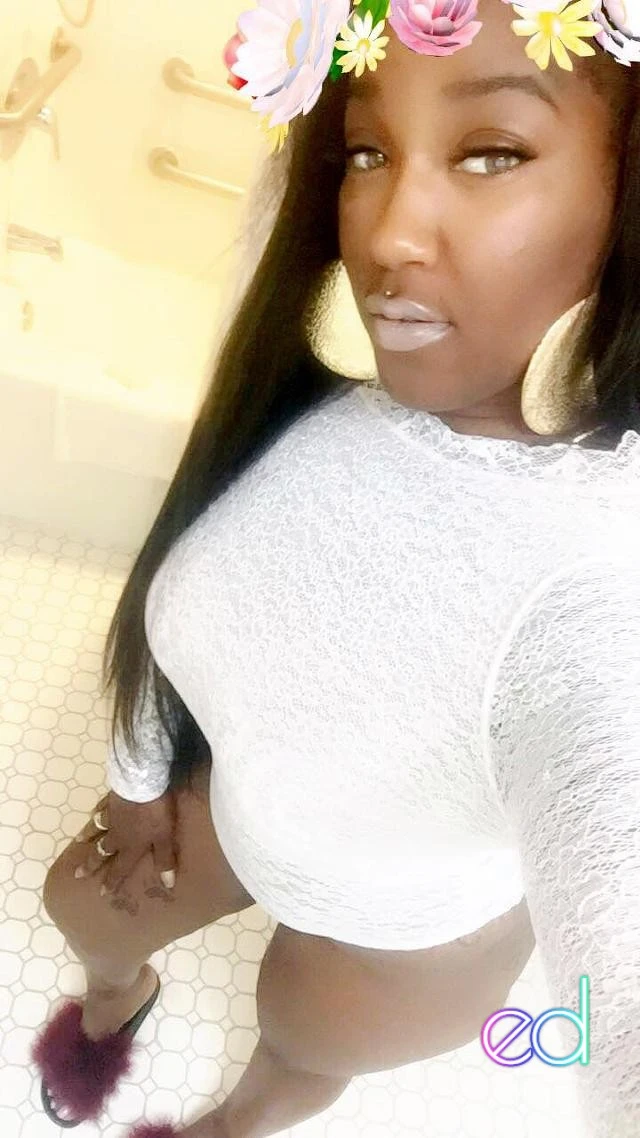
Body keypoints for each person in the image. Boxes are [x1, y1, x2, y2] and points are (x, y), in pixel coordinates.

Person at [32, 2, 640, 1137]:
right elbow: (169, 612)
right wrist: (137, 779)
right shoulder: (309, 406)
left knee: (297, 1047)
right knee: (82, 904)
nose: (389, 232)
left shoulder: (604, 581)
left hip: (402, 938)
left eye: (491, 152)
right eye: (366, 153)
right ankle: (118, 1002)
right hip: (250, 805)